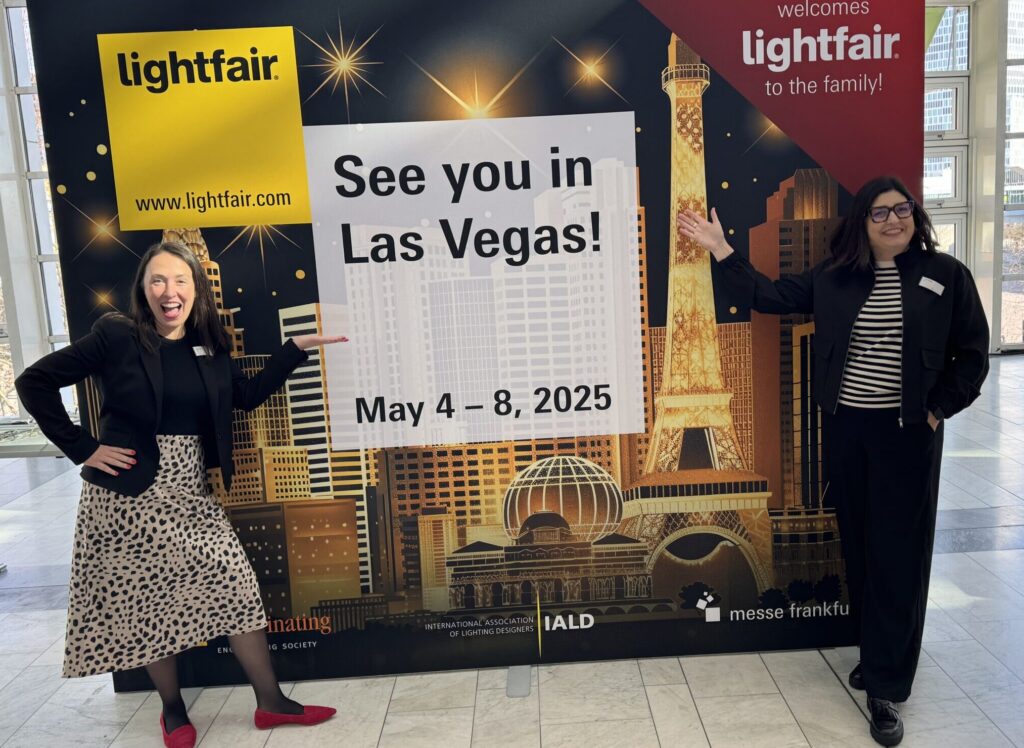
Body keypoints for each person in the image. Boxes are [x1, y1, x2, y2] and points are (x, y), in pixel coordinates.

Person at [679, 175, 989, 747]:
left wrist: (935, 410)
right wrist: (721, 249)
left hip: (907, 434)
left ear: (915, 217)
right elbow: (769, 297)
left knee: (900, 553)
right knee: (860, 545)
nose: (893, 220)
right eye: (879, 213)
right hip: (848, 429)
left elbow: (972, 354)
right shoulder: (836, 277)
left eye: (901, 210)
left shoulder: (946, 276)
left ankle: (887, 688)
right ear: (861, 223)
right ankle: (877, 653)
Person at [15, 241, 347, 748]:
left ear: (196, 289)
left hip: (189, 491)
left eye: (180, 281)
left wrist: (293, 351)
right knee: (147, 603)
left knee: (236, 584)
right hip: (127, 497)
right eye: (158, 281)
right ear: (144, 290)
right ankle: (172, 712)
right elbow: (33, 382)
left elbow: (245, 397)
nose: (169, 292)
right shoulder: (117, 335)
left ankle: (272, 703)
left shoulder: (210, 346)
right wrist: (83, 449)